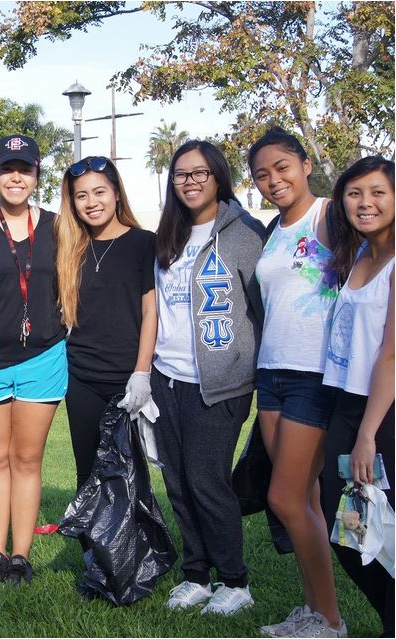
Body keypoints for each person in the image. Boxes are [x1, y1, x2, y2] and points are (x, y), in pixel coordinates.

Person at [151, 141, 265, 615]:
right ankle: (196, 575)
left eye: (200, 173)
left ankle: (234, 581)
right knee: (177, 482)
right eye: (181, 174)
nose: (190, 181)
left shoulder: (245, 234)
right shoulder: (168, 236)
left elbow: (264, 307)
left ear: (218, 176)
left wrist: (248, 367)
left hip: (218, 385)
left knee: (208, 482)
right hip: (167, 377)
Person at [249, 127, 346, 638]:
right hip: (273, 372)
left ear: (305, 164)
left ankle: (330, 619)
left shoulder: (332, 214)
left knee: (284, 498)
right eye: (262, 174)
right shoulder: (274, 230)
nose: (273, 180)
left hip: (316, 374)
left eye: (282, 168)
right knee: (302, 501)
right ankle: (315, 612)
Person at [0, 134, 66, 586]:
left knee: (28, 458)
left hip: (43, 356)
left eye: (24, 169)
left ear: (35, 176)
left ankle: (21, 556)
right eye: (7, 169)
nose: (15, 177)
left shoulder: (57, 225)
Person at [321, 156, 394, 637]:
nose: (364, 203)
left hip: (382, 415)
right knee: (348, 525)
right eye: (354, 193)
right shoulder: (363, 254)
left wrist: (367, 433)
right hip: (348, 406)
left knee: (372, 525)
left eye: (377, 192)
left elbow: (391, 354)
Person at [55, 156, 157, 496]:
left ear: (116, 194)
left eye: (99, 192)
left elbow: (151, 311)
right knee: (88, 469)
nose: (91, 202)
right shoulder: (70, 248)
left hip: (127, 379)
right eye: (81, 196)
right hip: (81, 377)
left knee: (129, 472)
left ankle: (133, 547)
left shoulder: (145, 243)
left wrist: (142, 372)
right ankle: (92, 547)